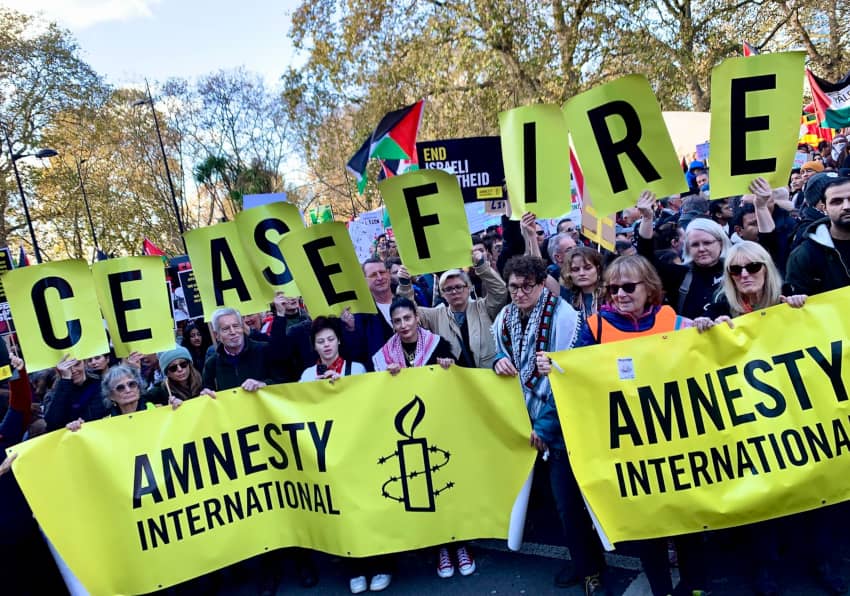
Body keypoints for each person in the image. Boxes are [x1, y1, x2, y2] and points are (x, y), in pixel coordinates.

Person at [566, 255, 707, 595]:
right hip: (629, 444)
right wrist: (554, 367)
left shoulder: (673, 322)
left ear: (649, 287)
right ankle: (660, 588)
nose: (620, 295)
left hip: (675, 436)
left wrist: (707, 329)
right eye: (613, 289)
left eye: (628, 287)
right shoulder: (596, 326)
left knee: (688, 519)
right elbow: (574, 374)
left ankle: (694, 585)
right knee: (648, 523)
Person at [491, 255, 608, 595]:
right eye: (513, 286)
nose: (519, 293)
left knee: (574, 502)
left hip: (564, 425)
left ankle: (593, 571)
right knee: (560, 505)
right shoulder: (505, 316)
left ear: (542, 284)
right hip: (525, 420)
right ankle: (584, 562)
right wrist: (498, 360)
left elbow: (569, 375)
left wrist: (545, 426)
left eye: (527, 286)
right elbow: (496, 353)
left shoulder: (565, 316)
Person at [395, 247, 507, 368]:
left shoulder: (483, 307)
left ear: (468, 288)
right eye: (448, 289)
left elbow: (499, 291)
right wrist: (405, 285)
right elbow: (408, 310)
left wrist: (482, 266)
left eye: (458, 287)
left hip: (489, 379)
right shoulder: (436, 315)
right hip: (455, 381)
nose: (454, 292)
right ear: (442, 294)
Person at [636, 189, 731, 319]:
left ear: (720, 243)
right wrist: (647, 218)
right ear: (687, 248)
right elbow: (645, 261)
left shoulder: (738, 271)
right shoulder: (681, 276)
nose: (701, 249)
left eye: (707, 243)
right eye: (695, 244)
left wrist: (762, 208)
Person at [201, 307, 275, 395]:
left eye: (236, 326)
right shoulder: (212, 363)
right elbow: (208, 391)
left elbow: (283, 380)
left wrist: (263, 384)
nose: (233, 332)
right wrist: (206, 394)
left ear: (242, 328)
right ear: (217, 335)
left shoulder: (264, 350)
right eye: (226, 329)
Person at [372, 297, 455, 372]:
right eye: (397, 321)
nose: (403, 325)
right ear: (392, 324)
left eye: (407, 318)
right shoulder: (386, 353)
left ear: (417, 318)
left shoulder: (437, 344)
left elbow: (454, 374)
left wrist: (449, 365)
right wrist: (387, 374)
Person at [43, 354, 107, 431]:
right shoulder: (53, 394)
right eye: (67, 367)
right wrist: (66, 379)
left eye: (77, 364)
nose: (73, 370)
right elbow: (51, 423)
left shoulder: (101, 386)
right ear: (58, 369)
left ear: (84, 363)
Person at [299, 316, 366, 381]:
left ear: (338, 340)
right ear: (314, 346)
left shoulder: (357, 369)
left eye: (331, 339)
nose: (326, 344)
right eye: (320, 341)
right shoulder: (307, 375)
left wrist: (343, 384)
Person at [559, 246, 604, 319]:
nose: (581, 273)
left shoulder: (610, 296)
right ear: (569, 273)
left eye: (587, 268)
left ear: (598, 269)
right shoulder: (568, 298)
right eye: (575, 269)